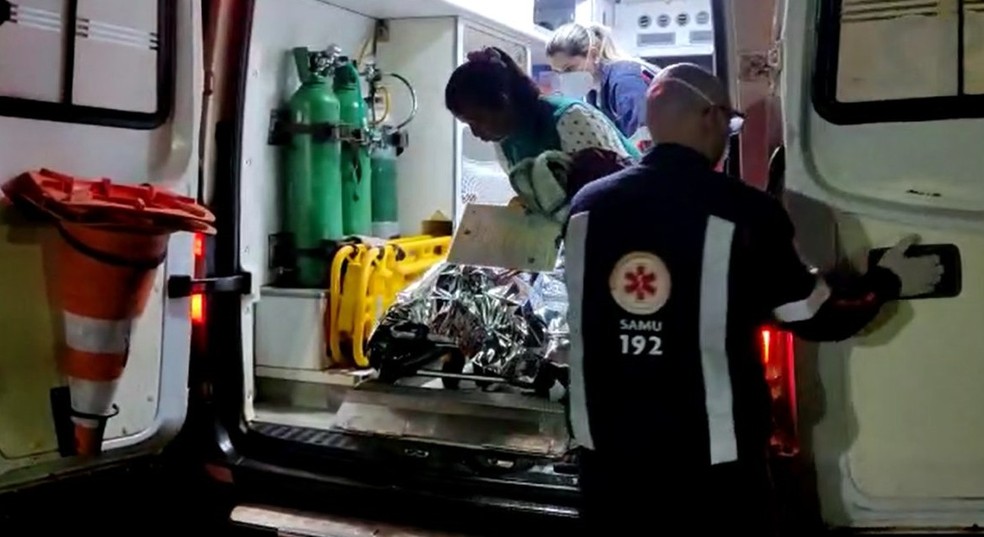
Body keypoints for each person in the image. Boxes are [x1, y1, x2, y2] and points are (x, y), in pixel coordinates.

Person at [562, 63, 944, 533]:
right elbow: (817, 317)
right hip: (710, 471)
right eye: (730, 122)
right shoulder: (743, 211)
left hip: (607, 464)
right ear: (711, 117)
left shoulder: (587, 207)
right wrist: (886, 281)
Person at [445, 46, 640, 219]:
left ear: (504, 102)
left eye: (478, 120)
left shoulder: (569, 118)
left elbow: (614, 191)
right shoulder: (505, 140)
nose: (475, 132)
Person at [547, 22, 658, 145]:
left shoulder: (625, 80)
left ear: (593, 55)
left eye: (569, 69)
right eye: (558, 73)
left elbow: (646, 143)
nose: (564, 78)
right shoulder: (594, 92)